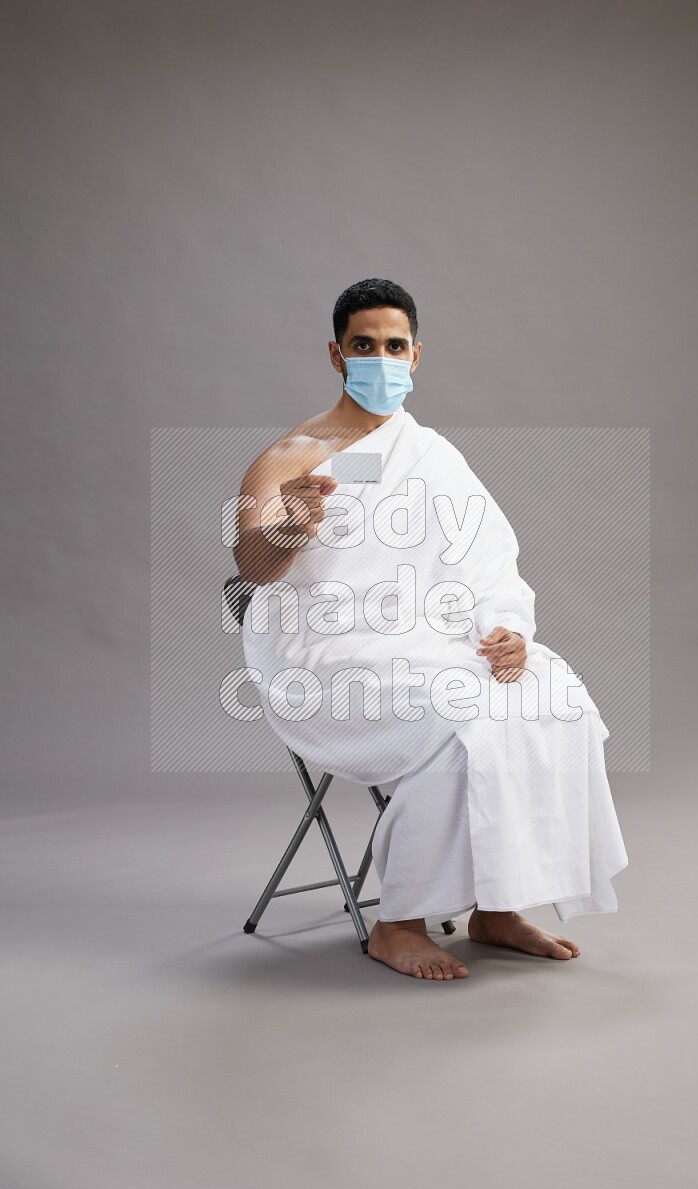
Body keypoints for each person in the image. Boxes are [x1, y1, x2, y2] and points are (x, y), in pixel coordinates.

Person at [233, 278, 628, 982]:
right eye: (364, 346)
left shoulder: (436, 456)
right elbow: (253, 565)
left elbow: (490, 561)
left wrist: (506, 628)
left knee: (552, 695)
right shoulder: (291, 456)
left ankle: (497, 907)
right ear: (336, 353)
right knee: (461, 711)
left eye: (394, 346)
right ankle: (399, 922)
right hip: (325, 652)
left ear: (416, 356)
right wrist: (292, 527)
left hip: (426, 638)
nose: (380, 359)